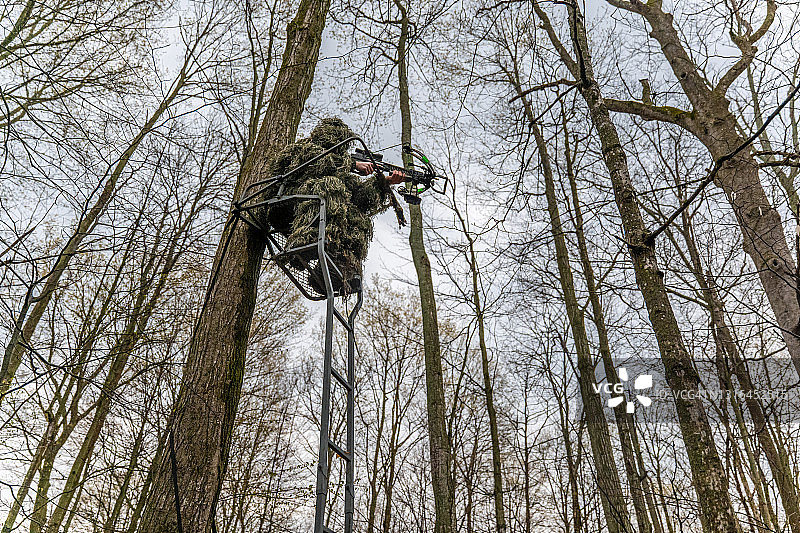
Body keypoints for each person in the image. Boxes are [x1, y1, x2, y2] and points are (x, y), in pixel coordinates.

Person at [263, 118, 406, 295]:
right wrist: (353, 164)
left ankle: (336, 268)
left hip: (317, 212)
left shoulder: (342, 174)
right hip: (286, 203)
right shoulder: (305, 149)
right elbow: (313, 163)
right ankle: (305, 242)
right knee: (331, 185)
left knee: (356, 215)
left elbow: (360, 198)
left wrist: (385, 182)